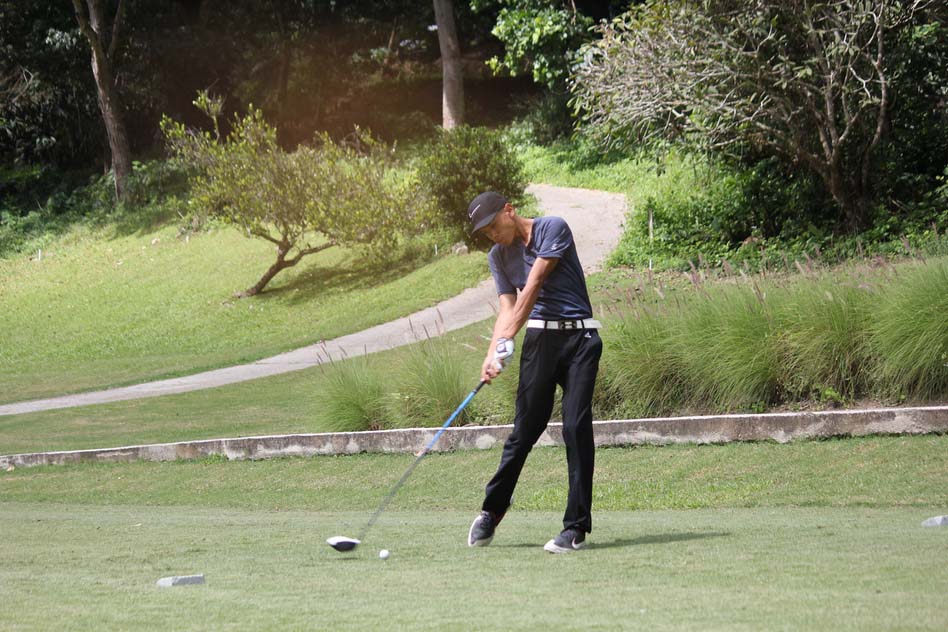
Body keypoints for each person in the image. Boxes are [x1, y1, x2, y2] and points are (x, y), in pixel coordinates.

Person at [465, 191, 603, 554]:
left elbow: (535, 283)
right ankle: (492, 510)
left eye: (493, 225)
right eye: (485, 232)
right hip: (541, 342)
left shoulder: (553, 228)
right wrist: (492, 354)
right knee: (523, 431)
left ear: (509, 210)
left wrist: (508, 337)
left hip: (580, 340)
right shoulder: (498, 256)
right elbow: (506, 308)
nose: (492, 234)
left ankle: (575, 527)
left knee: (575, 427)